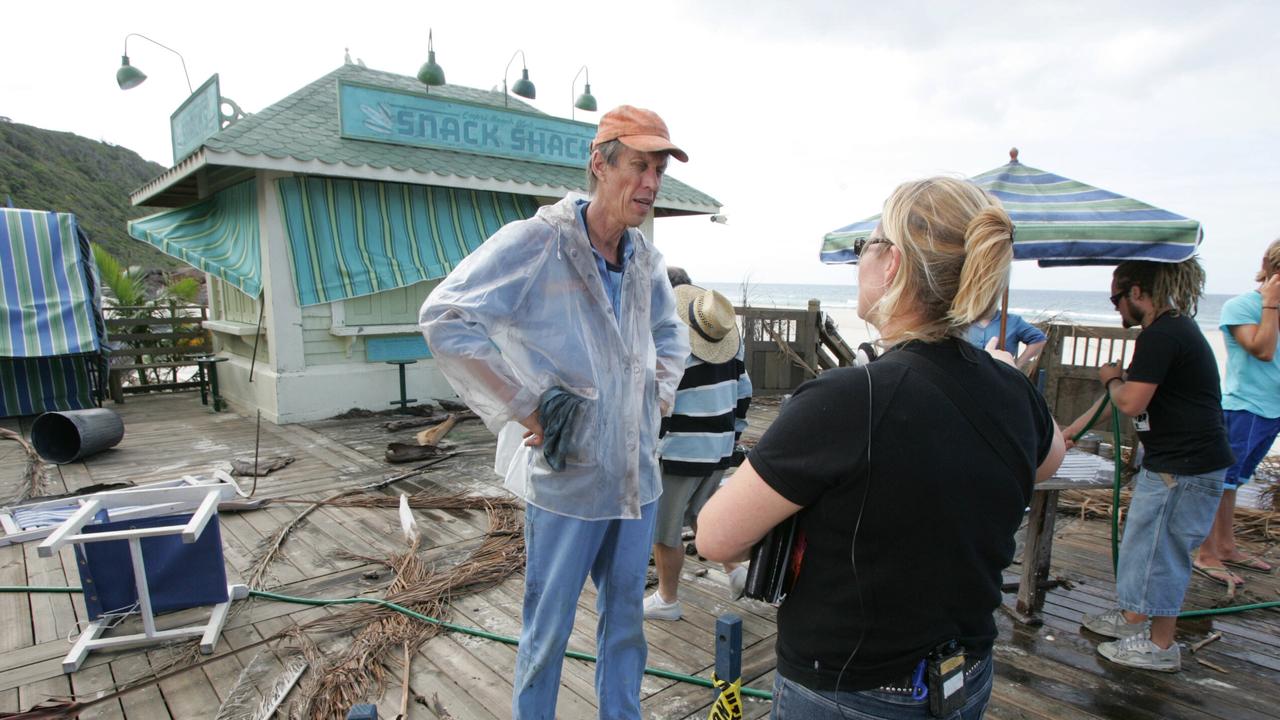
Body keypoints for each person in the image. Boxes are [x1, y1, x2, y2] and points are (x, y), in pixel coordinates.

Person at [696, 177, 1065, 719]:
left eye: (864, 246)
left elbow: (715, 537)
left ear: (891, 263)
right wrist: (1005, 374)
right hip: (963, 678)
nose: (860, 261)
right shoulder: (1010, 390)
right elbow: (1049, 457)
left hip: (852, 691)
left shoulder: (849, 399)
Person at [419, 105, 691, 718]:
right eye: (639, 167)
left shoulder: (644, 259)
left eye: (658, 172)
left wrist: (658, 396)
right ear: (600, 164)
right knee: (547, 633)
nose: (650, 184)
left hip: (636, 479)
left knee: (625, 623)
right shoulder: (538, 242)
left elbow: (671, 336)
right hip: (567, 480)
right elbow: (446, 317)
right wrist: (524, 406)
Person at [1065, 258, 1234, 673]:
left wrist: (1109, 377)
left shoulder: (1163, 335)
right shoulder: (1168, 332)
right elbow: (1122, 402)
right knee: (1144, 545)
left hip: (1186, 469)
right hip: (1175, 465)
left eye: (1116, 299)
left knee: (1163, 553)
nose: (1116, 309)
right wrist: (1069, 431)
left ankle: (1160, 647)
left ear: (1137, 292)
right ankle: (1133, 619)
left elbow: (1129, 401)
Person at [644, 276, 752, 621]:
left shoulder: (673, 347)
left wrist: (650, 446)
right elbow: (743, 395)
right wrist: (733, 439)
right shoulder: (733, 348)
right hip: (719, 447)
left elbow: (660, 404)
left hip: (681, 451)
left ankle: (667, 599)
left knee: (666, 529)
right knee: (703, 513)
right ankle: (736, 571)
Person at [1194, 240, 1280, 584]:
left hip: (1272, 410)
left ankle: (1226, 546)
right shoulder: (1242, 306)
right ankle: (1206, 553)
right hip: (1245, 406)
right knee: (1219, 482)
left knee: (1236, 483)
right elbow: (1261, 349)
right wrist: (1270, 304)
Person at [965, 309, 1047, 369]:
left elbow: (1038, 339)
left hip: (1000, 378)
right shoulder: (961, 321)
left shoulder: (1013, 321)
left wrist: (1016, 365)